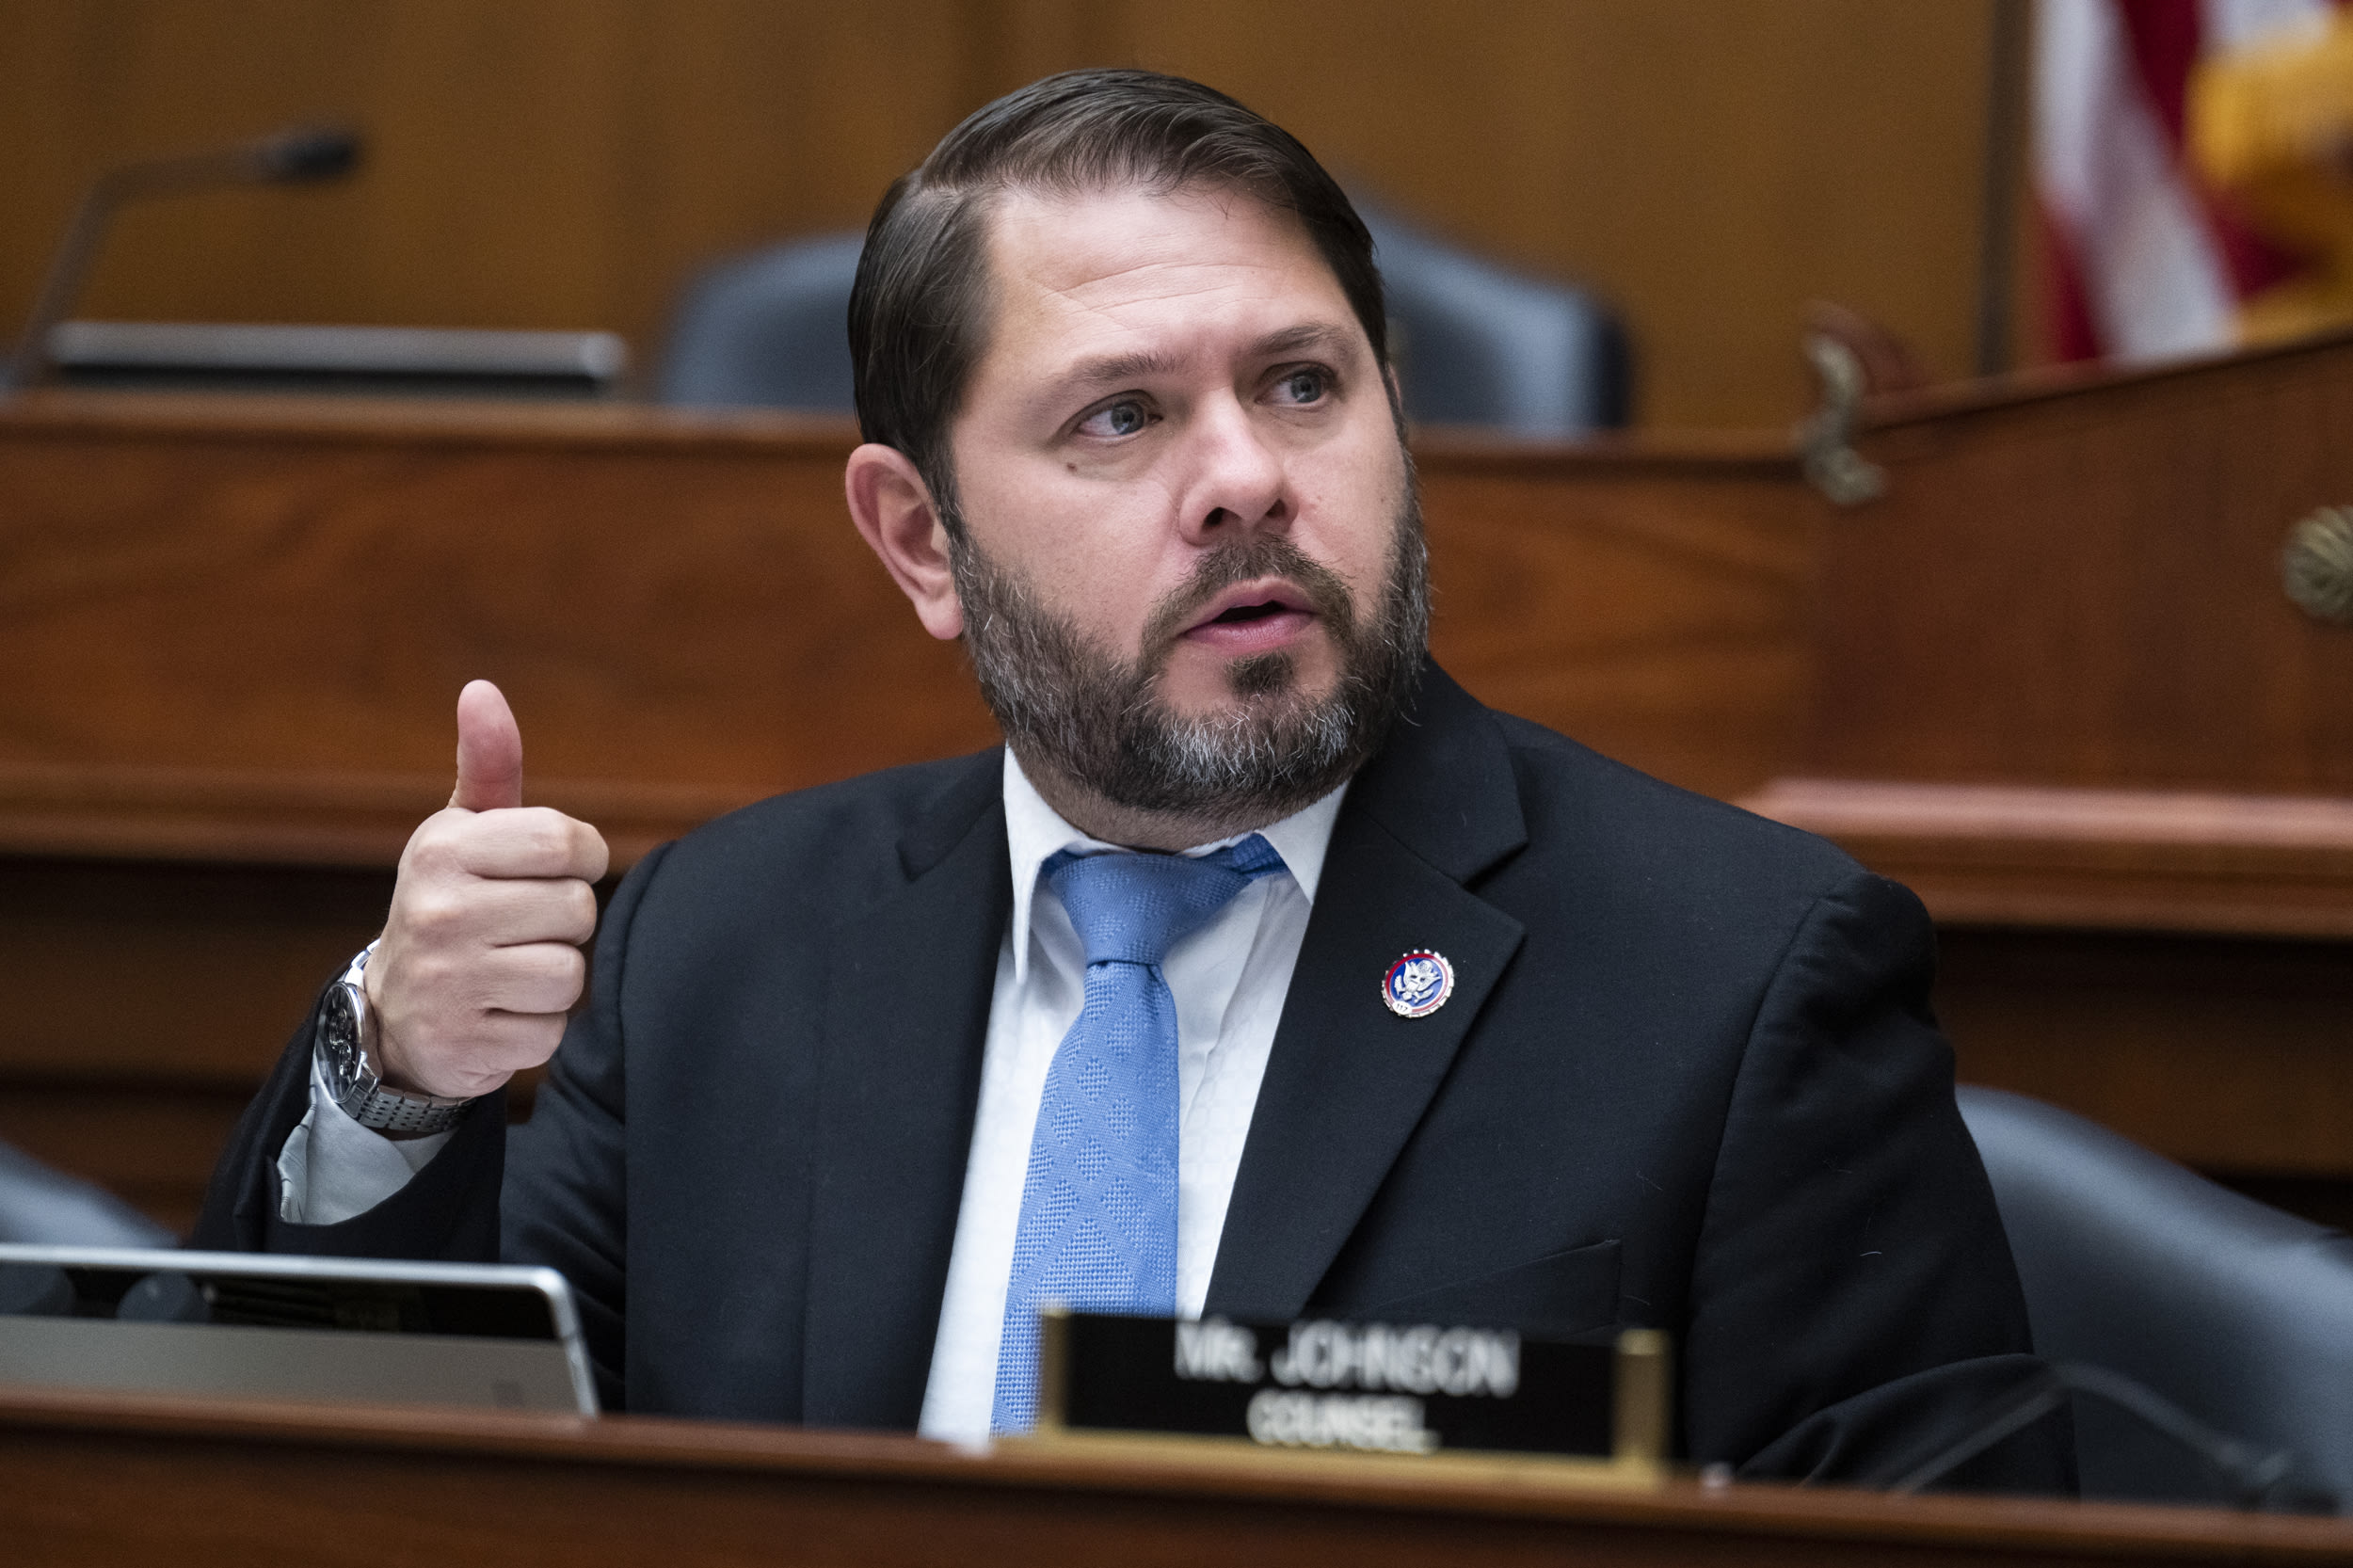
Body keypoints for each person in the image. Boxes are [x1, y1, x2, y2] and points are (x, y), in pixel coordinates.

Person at [196, 69, 2068, 1486]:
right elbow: (371, 1483)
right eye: (1122, 415)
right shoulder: (719, 952)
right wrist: (397, 1075)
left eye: (1304, 384)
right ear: (918, 536)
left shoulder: (1732, 980)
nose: (1246, 476)